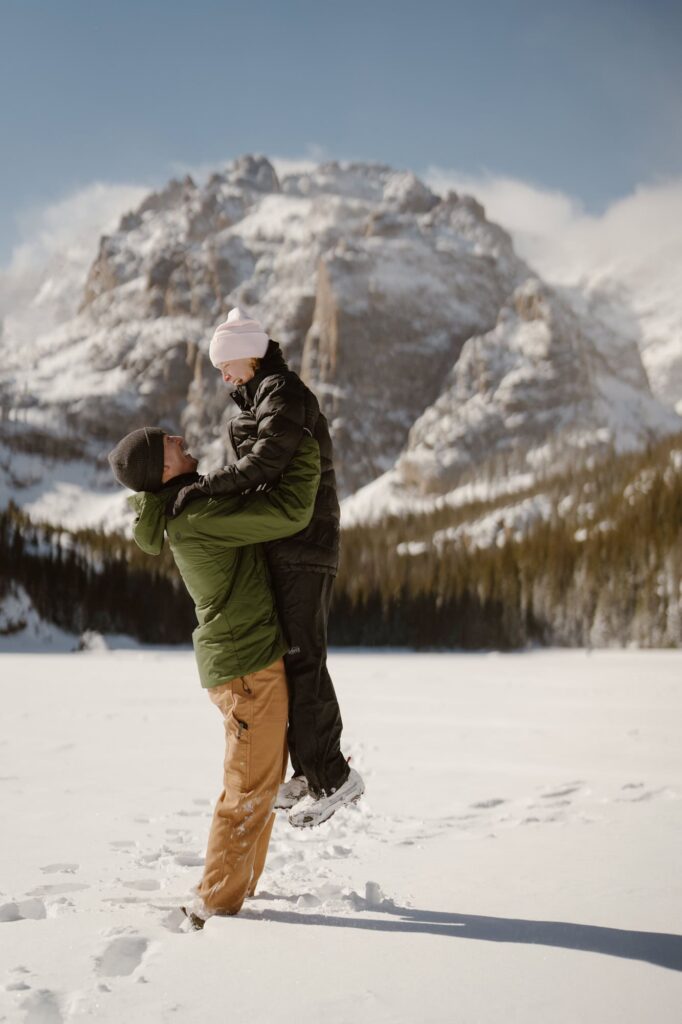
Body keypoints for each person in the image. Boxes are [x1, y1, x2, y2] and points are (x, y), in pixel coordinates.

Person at [108, 425, 320, 930]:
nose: (182, 438)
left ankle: (235, 887)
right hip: (246, 668)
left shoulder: (189, 506)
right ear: (161, 469)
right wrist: (305, 444)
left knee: (260, 781)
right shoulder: (196, 515)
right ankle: (216, 906)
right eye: (170, 442)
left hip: (248, 661)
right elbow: (292, 512)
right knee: (248, 786)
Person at [169, 307, 364, 827]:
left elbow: (267, 463)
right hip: (288, 545)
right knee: (293, 657)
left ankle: (335, 776)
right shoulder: (263, 396)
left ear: (248, 355)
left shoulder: (283, 392)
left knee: (305, 659)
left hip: (306, 546)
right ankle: (309, 770)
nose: (222, 376)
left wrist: (205, 487)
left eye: (225, 365)